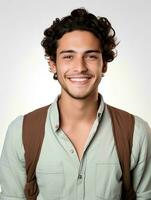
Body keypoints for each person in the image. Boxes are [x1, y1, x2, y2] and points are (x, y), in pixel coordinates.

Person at [0, 8, 151, 200]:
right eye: (68, 56)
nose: (80, 67)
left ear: (104, 64)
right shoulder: (21, 132)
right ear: (53, 64)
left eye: (91, 56)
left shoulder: (136, 132)